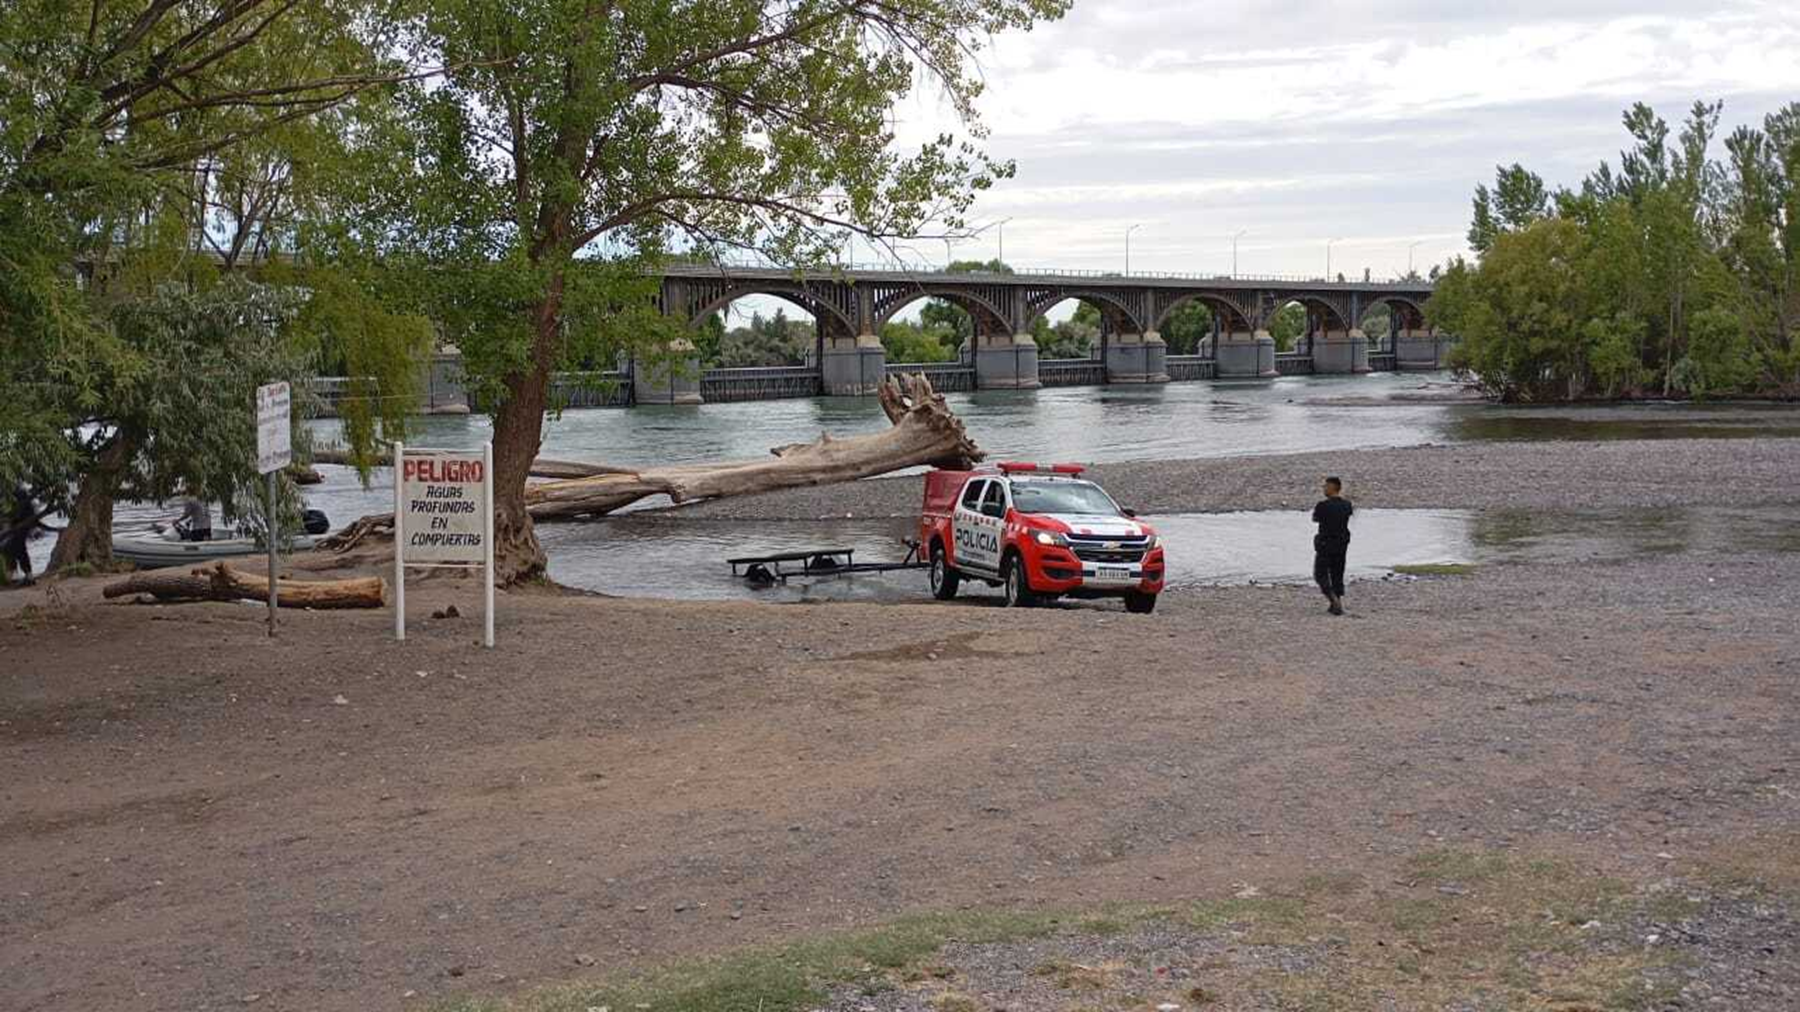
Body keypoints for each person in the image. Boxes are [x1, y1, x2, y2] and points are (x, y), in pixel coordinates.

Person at [1311, 476, 1353, 615]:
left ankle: (1333, 600)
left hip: (1325, 543)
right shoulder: (1347, 505)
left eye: (1326, 486)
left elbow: (1315, 518)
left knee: (1320, 574)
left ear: (1332, 487)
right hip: (1341, 543)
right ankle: (1337, 602)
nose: (1324, 488)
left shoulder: (1322, 505)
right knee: (1337, 573)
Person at [3, 485, 40, 587]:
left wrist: (11, 522)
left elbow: (18, 513)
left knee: (12, 548)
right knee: (17, 549)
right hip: (24, 524)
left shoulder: (18, 494)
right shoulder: (18, 492)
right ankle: (26, 576)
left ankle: (15, 575)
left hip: (23, 525)